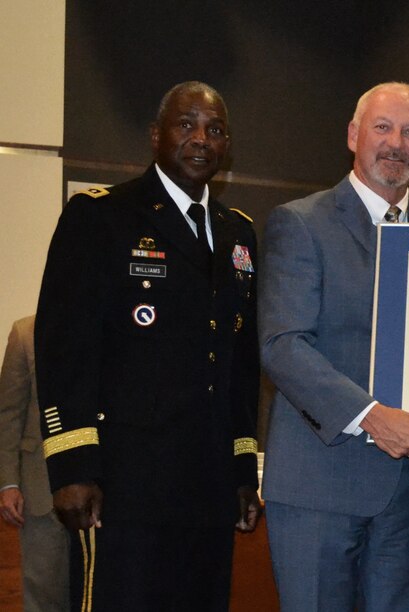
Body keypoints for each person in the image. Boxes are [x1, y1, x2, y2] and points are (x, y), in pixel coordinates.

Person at [34, 81, 261, 611]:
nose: (201, 139)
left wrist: (241, 471)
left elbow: (240, 363)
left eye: (215, 129)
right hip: (122, 484)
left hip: (207, 487)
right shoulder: (102, 216)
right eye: (186, 125)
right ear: (155, 135)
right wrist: (72, 468)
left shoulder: (239, 233)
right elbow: (65, 347)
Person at [259, 82, 409, 612]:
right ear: (354, 135)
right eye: (382, 127)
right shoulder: (300, 223)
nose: (395, 143)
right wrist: (374, 416)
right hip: (318, 487)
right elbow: (283, 345)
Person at [0, 315, 68, 612]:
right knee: (43, 596)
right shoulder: (25, 333)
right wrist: (8, 483)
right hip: (39, 488)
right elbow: (8, 414)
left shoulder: (108, 323)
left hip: (102, 491)